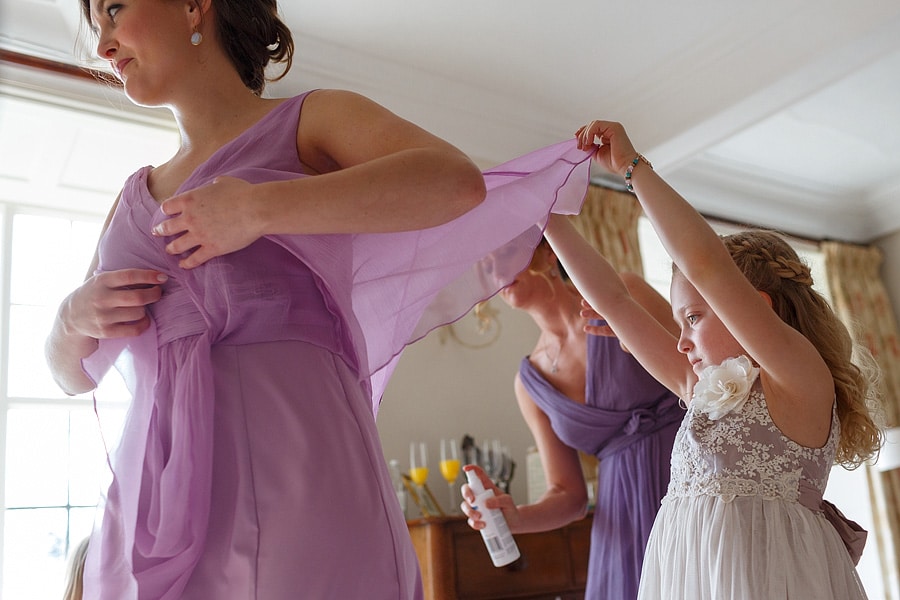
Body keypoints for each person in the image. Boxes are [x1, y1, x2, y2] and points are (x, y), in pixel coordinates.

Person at [45, 1, 594, 598]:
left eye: (113, 9)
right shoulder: (129, 200)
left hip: (298, 473)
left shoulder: (310, 120)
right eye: (96, 25)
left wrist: (259, 209)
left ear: (193, 4)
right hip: (157, 500)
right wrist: (67, 322)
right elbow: (73, 375)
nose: (102, 44)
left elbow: (453, 182)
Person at [539, 119, 883, 599]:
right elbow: (615, 301)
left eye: (693, 318)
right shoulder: (700, 390)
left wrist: (633, 169)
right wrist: (544, 215)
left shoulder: (799, 377)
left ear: (753, 308)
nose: (681, 342)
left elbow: (705, 264)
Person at [461, 238, 683, 599]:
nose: (498, 272)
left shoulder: (622, 293)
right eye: (486, 266)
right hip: (624, 526)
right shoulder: (530, 383)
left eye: (505, 253)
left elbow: (708, 371)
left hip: (695, 477)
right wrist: (516, 517)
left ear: (550, 251)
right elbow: (569, 495)